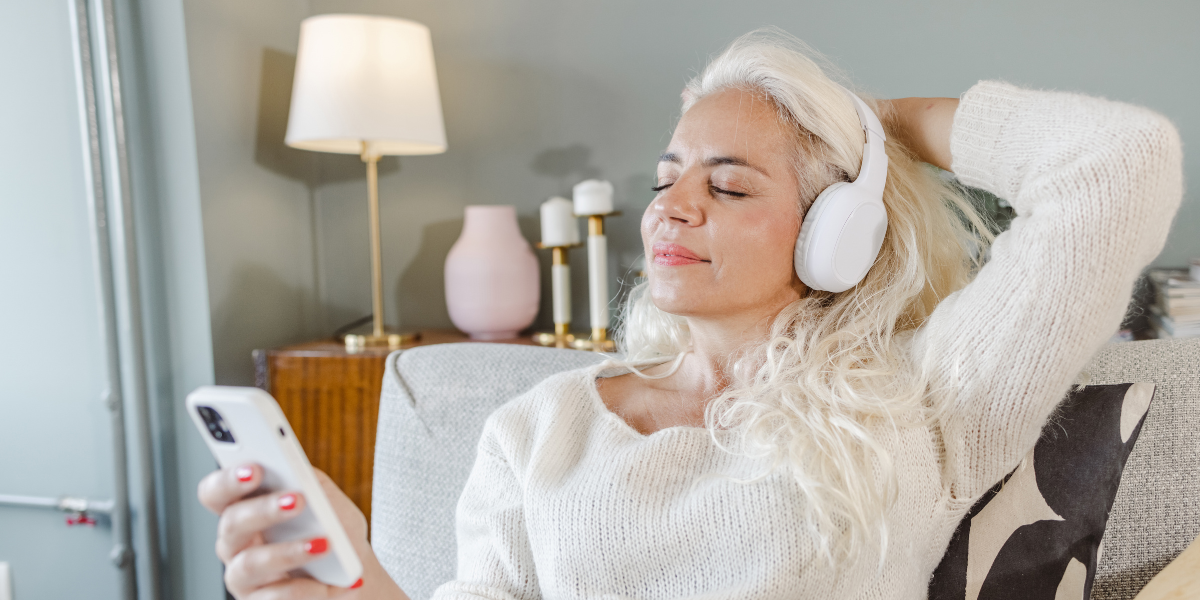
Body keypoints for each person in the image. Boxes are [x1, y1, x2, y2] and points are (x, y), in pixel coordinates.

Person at [197, 29, 1183, 599]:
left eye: (730, 184)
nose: (672, 206)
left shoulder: (924, 399)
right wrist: (361, 585)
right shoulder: (539, 429)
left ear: (832, 231)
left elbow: (1121, 166)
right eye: (668, 177)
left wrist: (875, 124)